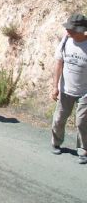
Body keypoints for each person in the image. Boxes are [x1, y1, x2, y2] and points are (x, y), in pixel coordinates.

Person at [50, 13, 87, 163]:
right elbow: (59, 64)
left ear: (81, 30)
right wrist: (55, 86)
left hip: (85, 91)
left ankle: (83, 150)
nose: (68, 31)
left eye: (71, 29)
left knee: (82, 122)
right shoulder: (66, 41)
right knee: (59, 118)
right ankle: (56, 142)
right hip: (66, 89)